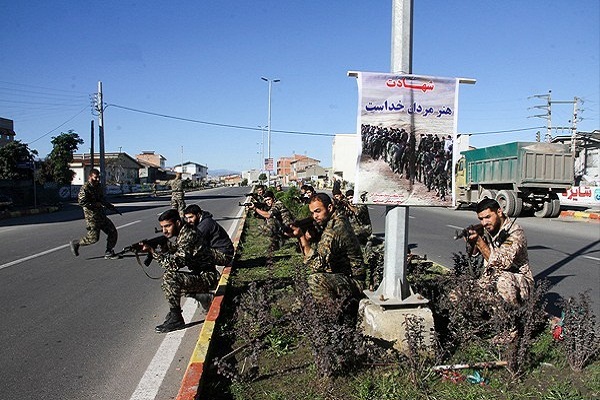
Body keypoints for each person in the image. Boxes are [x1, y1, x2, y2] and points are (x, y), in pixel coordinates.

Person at [143, 209, 220, 333]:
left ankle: (176, 318)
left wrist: (153, 252)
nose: (164, 230)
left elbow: (173, 265)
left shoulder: (188, 235)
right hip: (200, 274)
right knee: (169, 285)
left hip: (208, 276)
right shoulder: (184, 232)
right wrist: (164, 246)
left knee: (170, 278)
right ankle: (202, 298)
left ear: (178, 223)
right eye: (162, 227)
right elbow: (179, 249)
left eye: (168, 226)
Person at [288, 193, 365, 314]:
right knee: (305, 289)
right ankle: (295, 316)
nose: (315, 216)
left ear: (329, 208)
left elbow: (317, 264)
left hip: (355, 282)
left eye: (318, 211)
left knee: (316, 280)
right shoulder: (333, 219)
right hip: (340, 276)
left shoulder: (336, 227)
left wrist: (301, 237)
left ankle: (334, 319)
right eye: (312, 213)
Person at [465, 198, 533, 306]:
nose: (484, 223)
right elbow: (473, 256)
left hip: (518, 281)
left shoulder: (515, 232)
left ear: (499, 212)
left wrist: (479, 242)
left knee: (503, 281)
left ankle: (516, 315)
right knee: (463, 293)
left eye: (488, 217)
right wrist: (472, 242)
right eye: (481, 219)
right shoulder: (488, 230)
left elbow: (502, 263)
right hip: (492, 276)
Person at [69, 168, 120, 259]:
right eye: (95, 178)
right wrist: (95, 204)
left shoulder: (98, 186)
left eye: (98, 178)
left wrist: (109, 206)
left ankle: (109, 252)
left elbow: (101, 199)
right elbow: (81, 202)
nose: (97, 180)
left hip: (101, 215)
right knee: (93, 239)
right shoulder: (85, 188)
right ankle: (76, 243)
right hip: (92, 217)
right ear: (90, 177)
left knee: (112, 232)